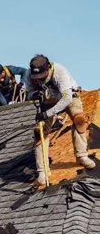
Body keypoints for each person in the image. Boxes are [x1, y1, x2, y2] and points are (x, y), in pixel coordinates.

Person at [26, 54, 95, 186]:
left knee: (79, 120)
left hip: (67, 98)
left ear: (48, 69)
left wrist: (48, 114)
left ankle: (81, 156)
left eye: (42, 76)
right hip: (46, 102)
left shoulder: (60, 72)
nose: (39, 79)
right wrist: (33, 95)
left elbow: (66, 99)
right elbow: (28, 93)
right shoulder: (29, 75)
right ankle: (42, 170)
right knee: (39, 132)